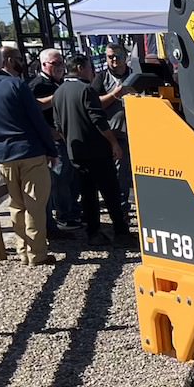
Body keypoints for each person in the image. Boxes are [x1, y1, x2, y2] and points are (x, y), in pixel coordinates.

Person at [0, 43, 59, 265]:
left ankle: (22, 250)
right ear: (3, 63)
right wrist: (51, 150)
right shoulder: (16, 85)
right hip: (30, 151)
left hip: (2, 154)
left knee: (16, 205)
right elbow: (38, 121)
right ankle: (37, 254)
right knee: (34, 205)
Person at [53, 53, 130, 244]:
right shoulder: (86, 90)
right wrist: (113, 143)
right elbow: (98, 120)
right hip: (97, 151)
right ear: (80, 68)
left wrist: (69, 141)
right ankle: (121, 232)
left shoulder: (59, 92)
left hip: (76, 152)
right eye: (89, 67)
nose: (92, 72)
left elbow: (58, 125)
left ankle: (94, 233)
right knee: (111, 192)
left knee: (88, 195)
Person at [27, 47, 82, 234]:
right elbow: (33, 113)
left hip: (67, 139)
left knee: (71, 177)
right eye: (54, 63)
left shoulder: (60, 83)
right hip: (54, 142)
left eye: (61, 62)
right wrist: (50, 132)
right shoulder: (37, 85)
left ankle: (72, 211)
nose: (60, 67)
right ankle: (64, 217)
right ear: (43, 64)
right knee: (60, 180)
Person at [91, 43, 137, 209]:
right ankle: (121, 208)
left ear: (126, 57)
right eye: (110, 57)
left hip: (139, 134)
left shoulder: (136, 74)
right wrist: (114, 95)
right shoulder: (101, 78)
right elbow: (93, 105)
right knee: (119, 175)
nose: (114, 60)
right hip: (116, 135)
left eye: (117, 56)